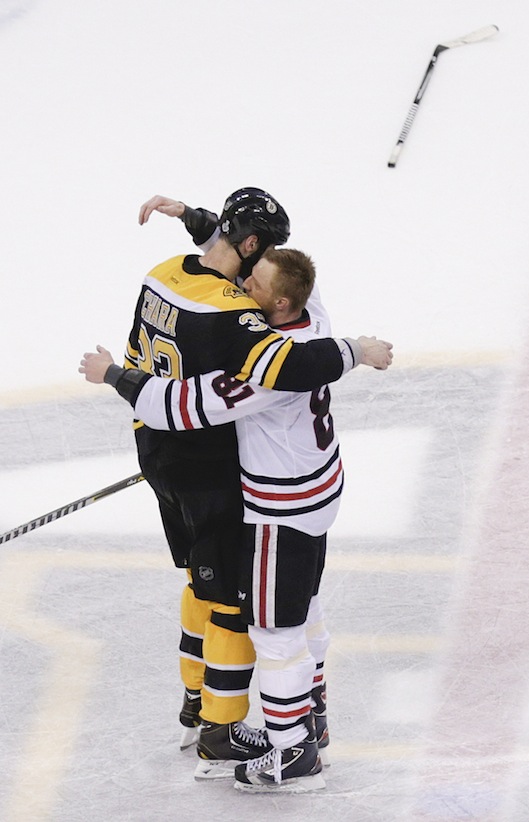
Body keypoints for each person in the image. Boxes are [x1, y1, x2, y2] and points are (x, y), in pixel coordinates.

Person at [81, 245, 393, 792]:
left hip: (280, 510)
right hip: (321, 492)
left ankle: (293, 756)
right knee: (308, 609)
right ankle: (313, 720)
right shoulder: (313, 319)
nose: (243, 287)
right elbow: (300, 290)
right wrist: (200, 221)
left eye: (255, 285)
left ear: (280, 301)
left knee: (274, 632)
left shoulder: (266, 373)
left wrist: (111, 374)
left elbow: (173, 407)